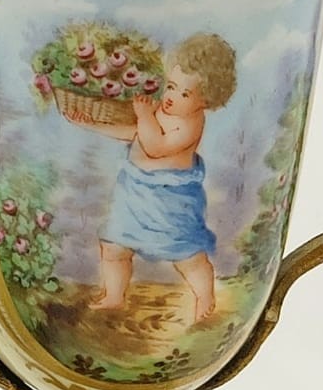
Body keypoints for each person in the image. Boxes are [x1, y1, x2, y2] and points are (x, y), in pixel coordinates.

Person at [92, 32, 236, 325]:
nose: (170, 97)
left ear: (205, 100)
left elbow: (155, 147)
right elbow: (134, 134)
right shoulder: (164, 109)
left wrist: (144, 115)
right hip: (134, 192)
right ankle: (114, 296)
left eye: (184, 93)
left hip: (170, 200)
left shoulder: (189, 125)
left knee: (187, 256)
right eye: (170, 87)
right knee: (114, 246)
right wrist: (96, 125)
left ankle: (205, 295)